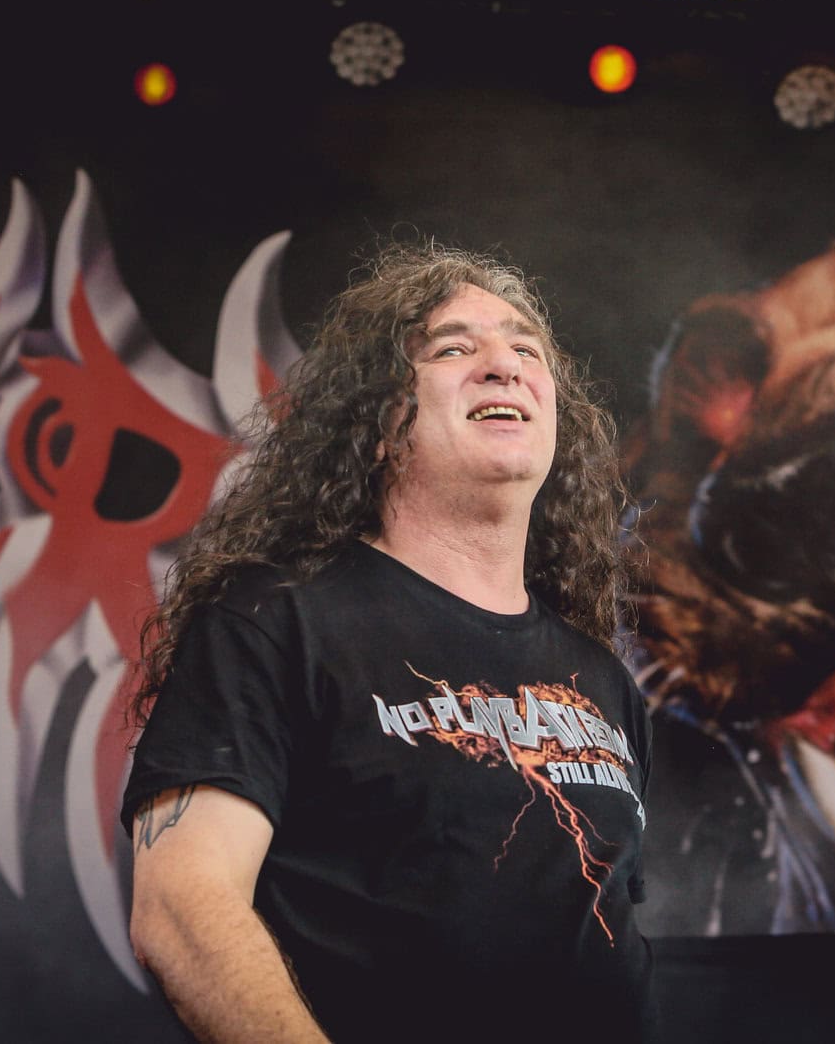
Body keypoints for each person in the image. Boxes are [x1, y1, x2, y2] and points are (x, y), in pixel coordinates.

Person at [120, 242, 656, 1043]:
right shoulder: (277, 625)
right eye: (453, 348)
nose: (504, 365)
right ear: (378, 424)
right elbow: (181, 907)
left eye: (527, 349)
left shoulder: (601, 679)